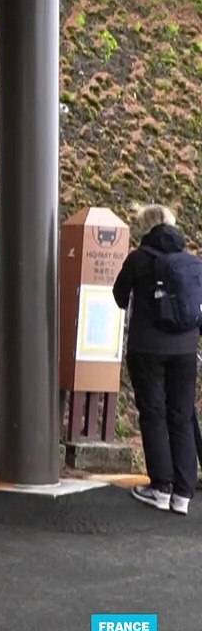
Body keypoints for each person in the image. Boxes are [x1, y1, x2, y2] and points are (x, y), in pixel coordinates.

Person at [113, 204, 198, 515]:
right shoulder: (190, 262)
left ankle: (161, 487)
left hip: (147, 349)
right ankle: (184, 494)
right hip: (186, 351)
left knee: (153, 415)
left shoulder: (138, 259)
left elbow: (119, 297)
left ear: (145, 227)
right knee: (181, 415)